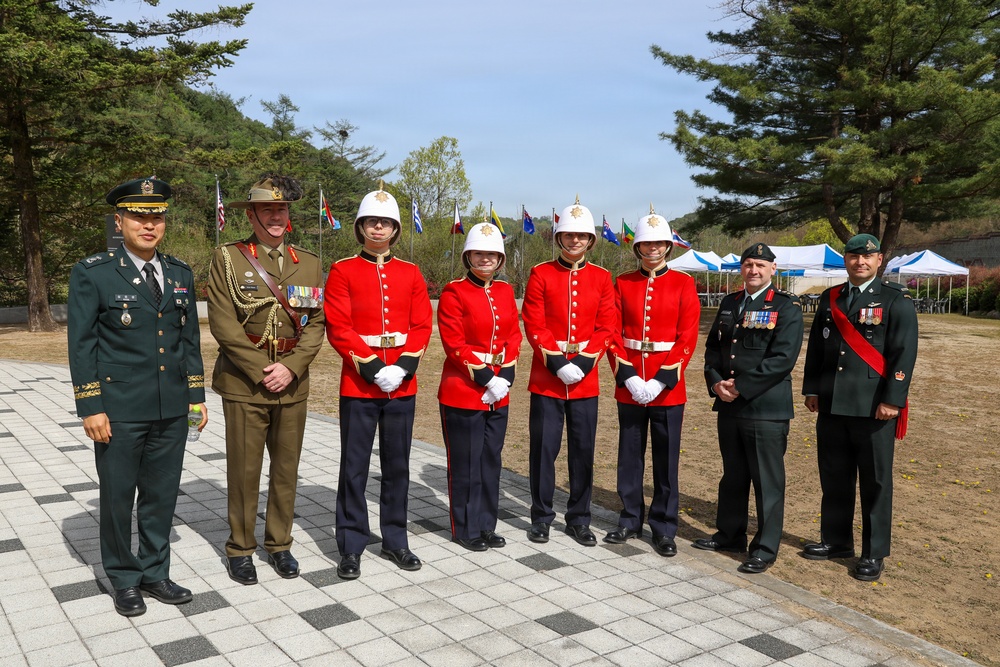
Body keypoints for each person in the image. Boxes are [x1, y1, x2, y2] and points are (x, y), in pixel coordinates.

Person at [68, 177, 206, 616]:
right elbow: (82, 343)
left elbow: (188, 341)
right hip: (120, 409)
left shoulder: (180, 272)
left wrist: (196, 397)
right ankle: (123, 577)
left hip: (170, 407)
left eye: (157, 217)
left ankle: (154, 572)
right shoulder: (94, 271)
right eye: (139, 216)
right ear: (120, 220)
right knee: (117, 495)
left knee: (161, 495)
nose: (149, 225)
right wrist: (90, 406)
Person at [207, 174, 325, 585]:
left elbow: (314, 322)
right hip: (245, 383)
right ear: (252, 214)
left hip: (292, 381)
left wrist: (290, 368)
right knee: (244, 469)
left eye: (283, 210)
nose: (276, 217)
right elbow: (223, 324)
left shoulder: (307, 262)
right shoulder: (228, 258)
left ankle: (280, 544)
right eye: (268, 210)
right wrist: (263, 370)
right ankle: (241, 548)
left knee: (286, 469)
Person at [324, 184, 433, 579]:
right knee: (354, 466)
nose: (379, 228)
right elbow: (339, 326)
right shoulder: (342, 270)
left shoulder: (411, 272)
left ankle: (396, 540)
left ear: (395, 230)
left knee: (397, 465)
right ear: (360, 227)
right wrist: (373, 369)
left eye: (386, 223)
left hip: (401, 383)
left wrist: (401, 368)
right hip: (359, 383)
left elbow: (422, 325)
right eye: (372, 221)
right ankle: (351, 543)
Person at [801, 233, 917, 582]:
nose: (860, 262)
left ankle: (874, 551)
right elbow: (818, 352)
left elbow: (903, 354)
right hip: (833, 403)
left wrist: (892, 400)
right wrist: (812, 389)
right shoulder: (830, 298)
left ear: (879, 260)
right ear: (846, 260)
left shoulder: (896, 300)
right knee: (834, 477)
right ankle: (836, 542)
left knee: (875, 482)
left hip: (873, 407)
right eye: (853, 257)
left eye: (867, 257)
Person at [698, 242, 803, 574]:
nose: (753, 270)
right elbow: (713, 347)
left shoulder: (786, 307)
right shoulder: (730, 302)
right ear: (741, 269)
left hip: (765, 408)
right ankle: (730, 534)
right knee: (733, 476)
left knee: (767, 481)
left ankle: (765, 547)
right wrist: (716, 382)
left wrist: (739, 387)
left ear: (773, 269)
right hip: (728, 405)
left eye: (760, 265)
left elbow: (782, 360)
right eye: (748, 265)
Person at [521, 196, 618, 546]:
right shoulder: (540, 273)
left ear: (590, 241)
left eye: (581, 236)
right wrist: (559, 363)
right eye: (568, 235)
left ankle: (579, 518)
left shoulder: (602, 278)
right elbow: (533, 322)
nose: (575, 241)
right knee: (543, 451)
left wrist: (584, 361)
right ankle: (541, 516)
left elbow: (606, 325)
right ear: (558, 238)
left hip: (585, 380)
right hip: (548, 378)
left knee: (582, 451)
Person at [605, 208, 700, 557]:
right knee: (629, 456)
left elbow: (687, 337)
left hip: (667, 387)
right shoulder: (623, 282)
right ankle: (629, 519)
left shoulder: (683, 283)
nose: (653, 250)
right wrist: (629, 377)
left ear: (668, 247)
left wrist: (661, 380)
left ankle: (663, 527)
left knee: (666, 459)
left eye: (659, 244)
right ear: (638, 248)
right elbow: (612, 333)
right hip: (630, 382)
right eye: (647, 244)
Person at [437, 223, 522, 551]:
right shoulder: (454, 292)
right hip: (464, 390)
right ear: (468, 255)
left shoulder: (504, 291)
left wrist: (506, 379)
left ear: (500, 259)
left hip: (499, 391)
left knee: (490, 460)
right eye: (479, 253)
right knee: (465, 463)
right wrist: (487, 377)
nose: (485, 259)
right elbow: (454, 343)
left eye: (492, 254)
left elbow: (513, 335)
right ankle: (465, 527)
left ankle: (487, 524)